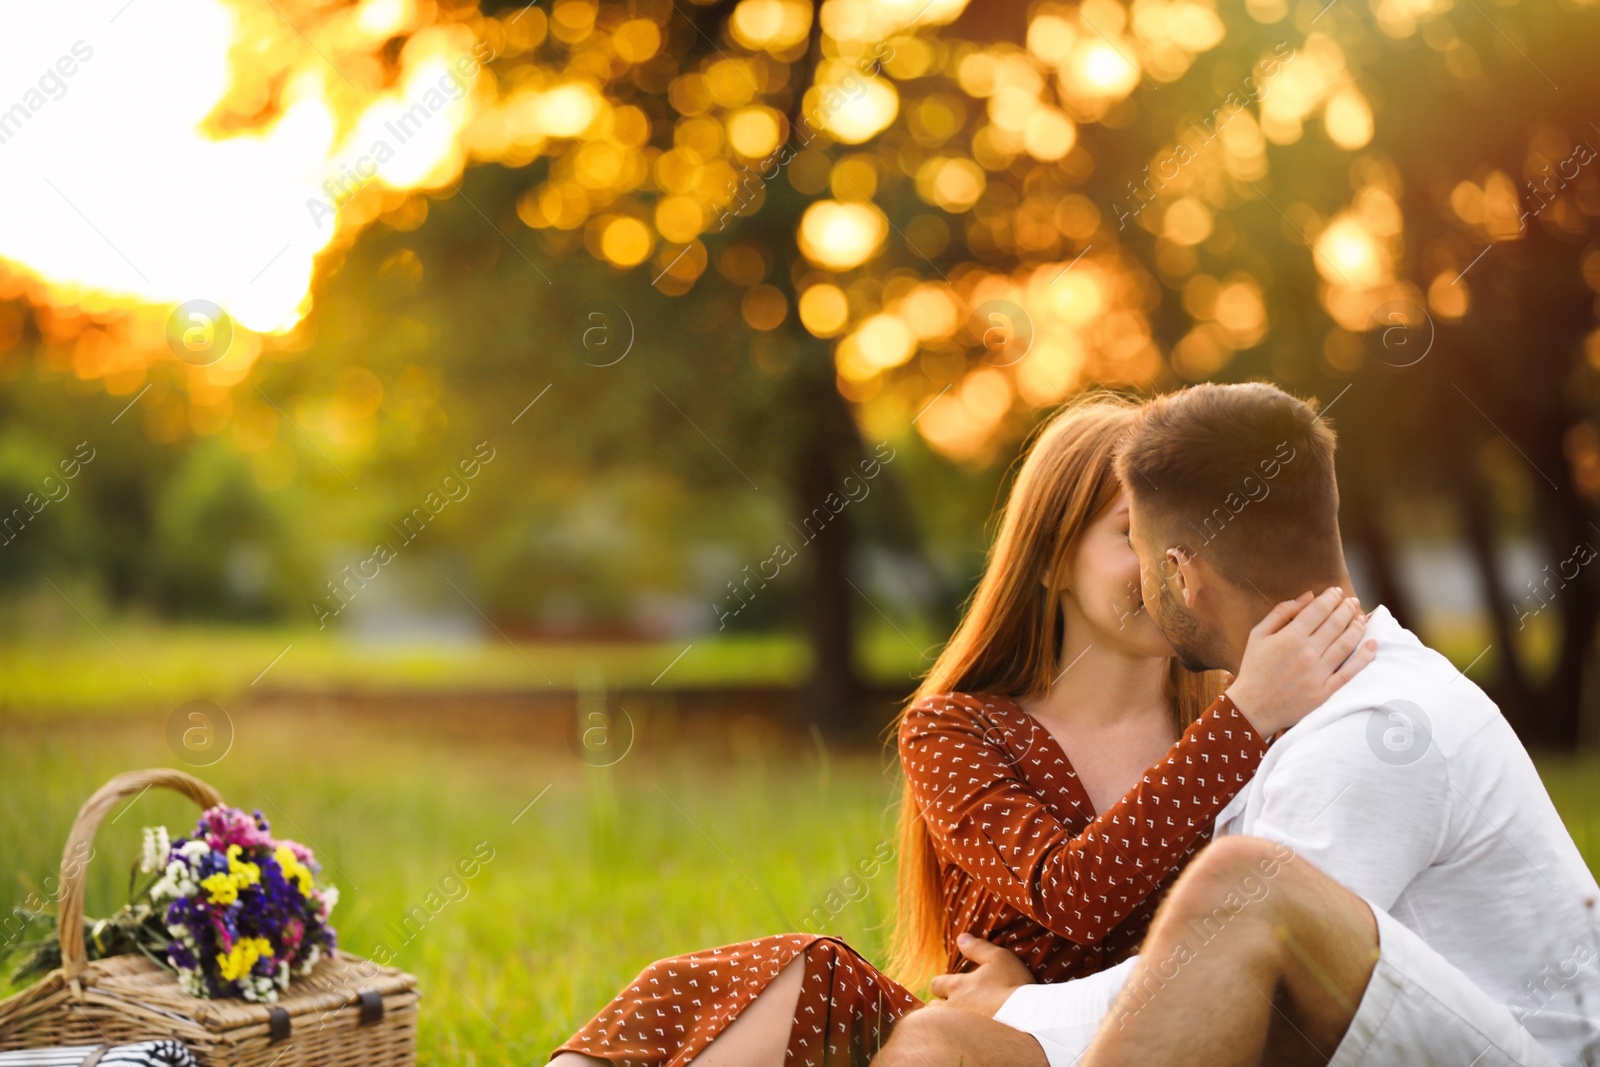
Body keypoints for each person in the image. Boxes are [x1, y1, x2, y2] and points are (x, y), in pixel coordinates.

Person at [548, 395, 1374, 1067]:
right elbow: (1074, 893)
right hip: (968, 1045)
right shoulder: (957, 730)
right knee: (808, 973)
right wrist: (1242, 720)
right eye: (1131, 535)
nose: (1168, 561)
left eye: (1183, 534)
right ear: (1052, 560)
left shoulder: (1246, 717)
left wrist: (1032, 1003)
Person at [872, 382, 1600, 1067]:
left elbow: (1228, 962)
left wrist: (1023, 1005)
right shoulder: (1313, 712)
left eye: (1141, 542)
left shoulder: (1375, 727)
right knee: (935, 1043)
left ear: (1180, 576)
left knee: (1244, 883)